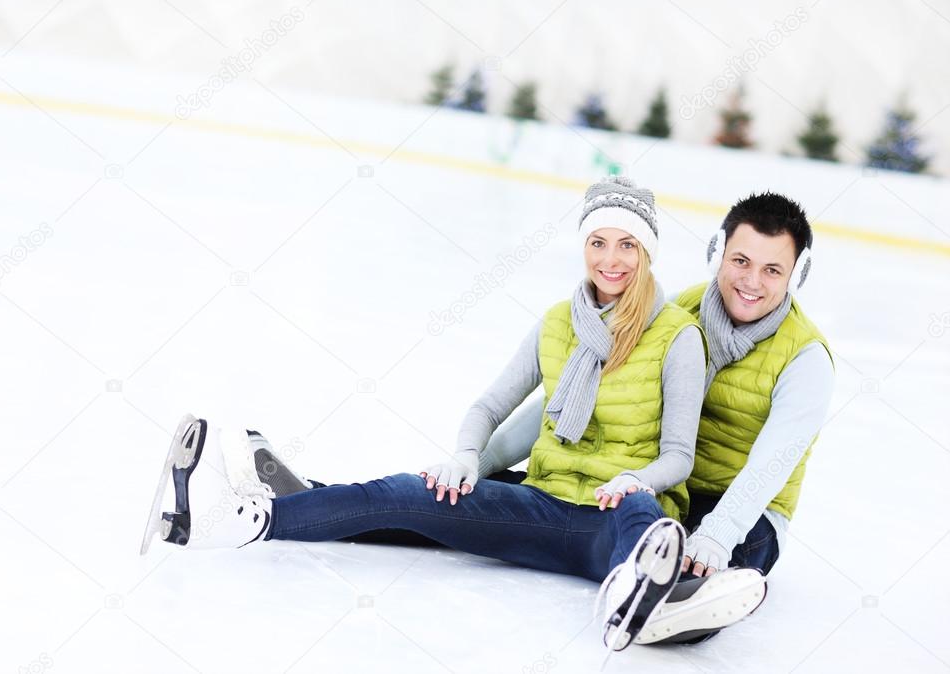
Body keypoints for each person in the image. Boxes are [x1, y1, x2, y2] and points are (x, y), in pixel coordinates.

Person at [141, 177, 739, 652]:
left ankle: (635, 595)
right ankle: (249, 520)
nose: (611, 260)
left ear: (647, 252)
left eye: (627, 244)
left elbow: (677, 457)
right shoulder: (558, 323)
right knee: (412, 492)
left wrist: (637, 480)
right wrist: (465, 456)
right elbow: (488, 407)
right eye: (598, 242)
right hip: (541, 500)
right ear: (584, 246)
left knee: (642, 518)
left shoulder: (677, 337)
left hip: (615, 512)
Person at [249, 191, 832, 645]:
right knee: (467, 498)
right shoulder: (675, 314)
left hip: (737, 506)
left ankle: (671, 612)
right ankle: (329, 500)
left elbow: (771, 464)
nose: (751, 281)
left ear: (795, 274)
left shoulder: (805, 358)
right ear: (718, 254)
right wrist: (476, 458)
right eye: (741, 260)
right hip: (637, 482)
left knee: (721, 566)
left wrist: (716, 535)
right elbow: (570, 404)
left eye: (773, 270)